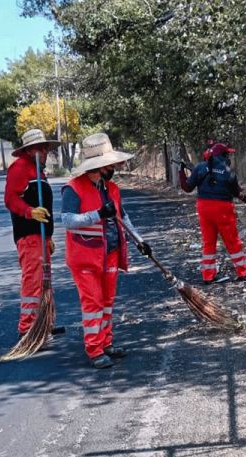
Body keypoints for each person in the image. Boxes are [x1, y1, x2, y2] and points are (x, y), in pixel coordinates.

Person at [61, 133, 151, 369]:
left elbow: (124, 217)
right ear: (98, 167)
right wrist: (98, 215)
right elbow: (68, 221)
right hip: (85, 257)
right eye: (109, 164)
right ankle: (94, 349)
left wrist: (139, 240)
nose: (113, 167)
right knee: (93, 303)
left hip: (110, 252)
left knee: (107, 301)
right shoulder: (73, 189)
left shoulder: (112, 188)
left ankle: (106, 342)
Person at [4, 128, 58, 339]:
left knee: (45, 280)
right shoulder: (20, 168)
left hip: (42, 237)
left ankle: (45, 322)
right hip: (29, 236)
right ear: (29, 151)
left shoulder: (39, 172)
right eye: (40, 149)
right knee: (34, 281)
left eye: (45, 149)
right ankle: (28, 328)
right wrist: (29, 212)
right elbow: (10, 199)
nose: (44, 153)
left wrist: (50, 237)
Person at [178, 141, 246, 283]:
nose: (229, 156)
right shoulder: (228, 172)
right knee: (232, 241)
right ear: (223, 156)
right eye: (227, 154)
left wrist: (181, 172)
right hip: (223, 208)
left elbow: (187, 188)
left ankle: (208, 275)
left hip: (204, 208)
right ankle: (243, 272)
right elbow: (236, 192)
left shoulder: (199, 168)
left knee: (208, 242)